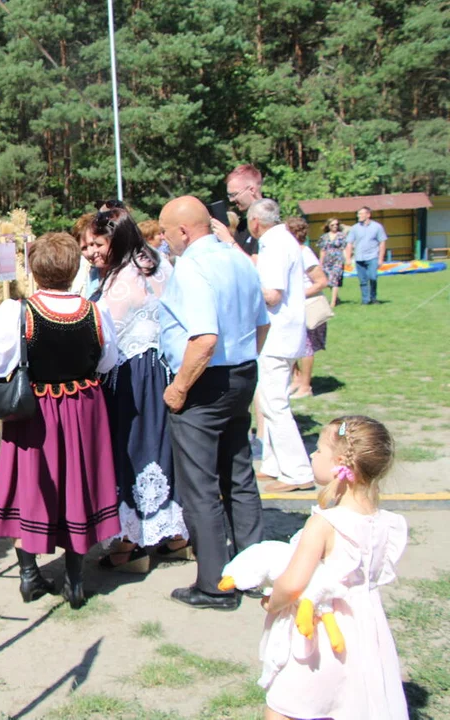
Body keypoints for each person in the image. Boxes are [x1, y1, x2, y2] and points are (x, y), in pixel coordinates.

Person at [0, 232, 121, 609]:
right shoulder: (95, 311)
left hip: (36, 411)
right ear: (74, 269)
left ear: (34, 270)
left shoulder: (16, 312)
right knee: (78, 483)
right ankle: (74, 579)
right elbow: (108, 360)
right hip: (83, 408)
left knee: (32, 486)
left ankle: (28, 574)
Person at [158, 196, 269, 610]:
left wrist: (180, 388)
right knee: (238, 473)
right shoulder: (237, 257)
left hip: (204, 380)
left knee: (200, 485)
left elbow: (204, 338)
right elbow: (261, 325)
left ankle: (214, 584)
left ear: (183, 231)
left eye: (167, 233)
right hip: (240, 372)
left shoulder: (192, 266)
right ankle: (253, 568)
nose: (166, 241)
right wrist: (242, 364)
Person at [260, 415, 407, 720]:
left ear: (340, 462)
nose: (312, 455)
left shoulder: (325, 523)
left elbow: (292, 583)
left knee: (285, 706)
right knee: (347, 702)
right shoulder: (386, 523)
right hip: (365, 630)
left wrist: (273, 602)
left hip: (320, 631)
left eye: (318, 451)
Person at [85, 209, 189, 573]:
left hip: (130, 373)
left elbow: (103, 339)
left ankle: (130, 544)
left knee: (130, 449)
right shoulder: (157, 262)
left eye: (98, 243)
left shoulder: (121, 280)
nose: (91, 251)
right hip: (164, 369)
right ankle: (174, 536)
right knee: (160, 447)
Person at [248, 200, 315, 493]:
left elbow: (272, 295)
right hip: (282, 334)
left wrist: (245, 287)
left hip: (276, 335)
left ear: (255, 223)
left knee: (275, 404)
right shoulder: (283, 239)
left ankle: (298, 471)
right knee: (268, 400)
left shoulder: (274, 244)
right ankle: (275, 464)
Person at [284, 216, 329, 399]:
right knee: (293, 344)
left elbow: (321, 282)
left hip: (307, 307)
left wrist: (299, 294)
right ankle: (296, 379)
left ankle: (306, 386)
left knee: (306, 347)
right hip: (293, 308)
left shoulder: (305, 253)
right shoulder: (289, 252)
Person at [219, 164, 265, 259]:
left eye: (234, 194)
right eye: (229, 196)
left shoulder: (267, 224)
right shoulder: (243, 226)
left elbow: (256, 267)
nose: (231, 200)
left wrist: (229, 240)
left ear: (252, 190)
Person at [344, 206, 387, 305]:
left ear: (368, 215)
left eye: (361, 214)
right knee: (362, 280)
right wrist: (348, 258)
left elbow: (382, 242)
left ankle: (373, 297)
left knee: (373, 277)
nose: (358, 216)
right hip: (359, 257)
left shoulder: (377, 227)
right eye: (358, 214)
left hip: (372, 257)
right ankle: (365, 300)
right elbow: (349, 243)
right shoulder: (355, 228)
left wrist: (380, 258)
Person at [318, 218, 347, 307]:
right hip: (327, 260)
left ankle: (333, 302)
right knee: (330, 280)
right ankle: (336, 298)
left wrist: (347, 259)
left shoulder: (341, 236)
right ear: (328, 226)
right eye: (332, 225)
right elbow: (322, 250)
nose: (335, 226)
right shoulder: (324, 237)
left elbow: (345, 248)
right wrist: (320, 263)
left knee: (335, 279)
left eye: (336, 224)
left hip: (338, 260)